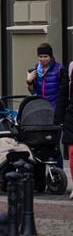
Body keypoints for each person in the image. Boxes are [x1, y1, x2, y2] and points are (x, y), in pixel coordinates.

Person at [54, 60, 73, 199]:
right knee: (72, 153)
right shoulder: (71, 68)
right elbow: (63, 95)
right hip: (72, 117)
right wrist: (59, 119)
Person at [27, 43, 64, 108]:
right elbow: (32, 92)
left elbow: (64, 92)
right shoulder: (36, 69)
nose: (43, 59)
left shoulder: (59, 69)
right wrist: (29, 82)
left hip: (54, 107)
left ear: (51, 56)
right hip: (41, 107)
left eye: (45, 56)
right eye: (40, 56)